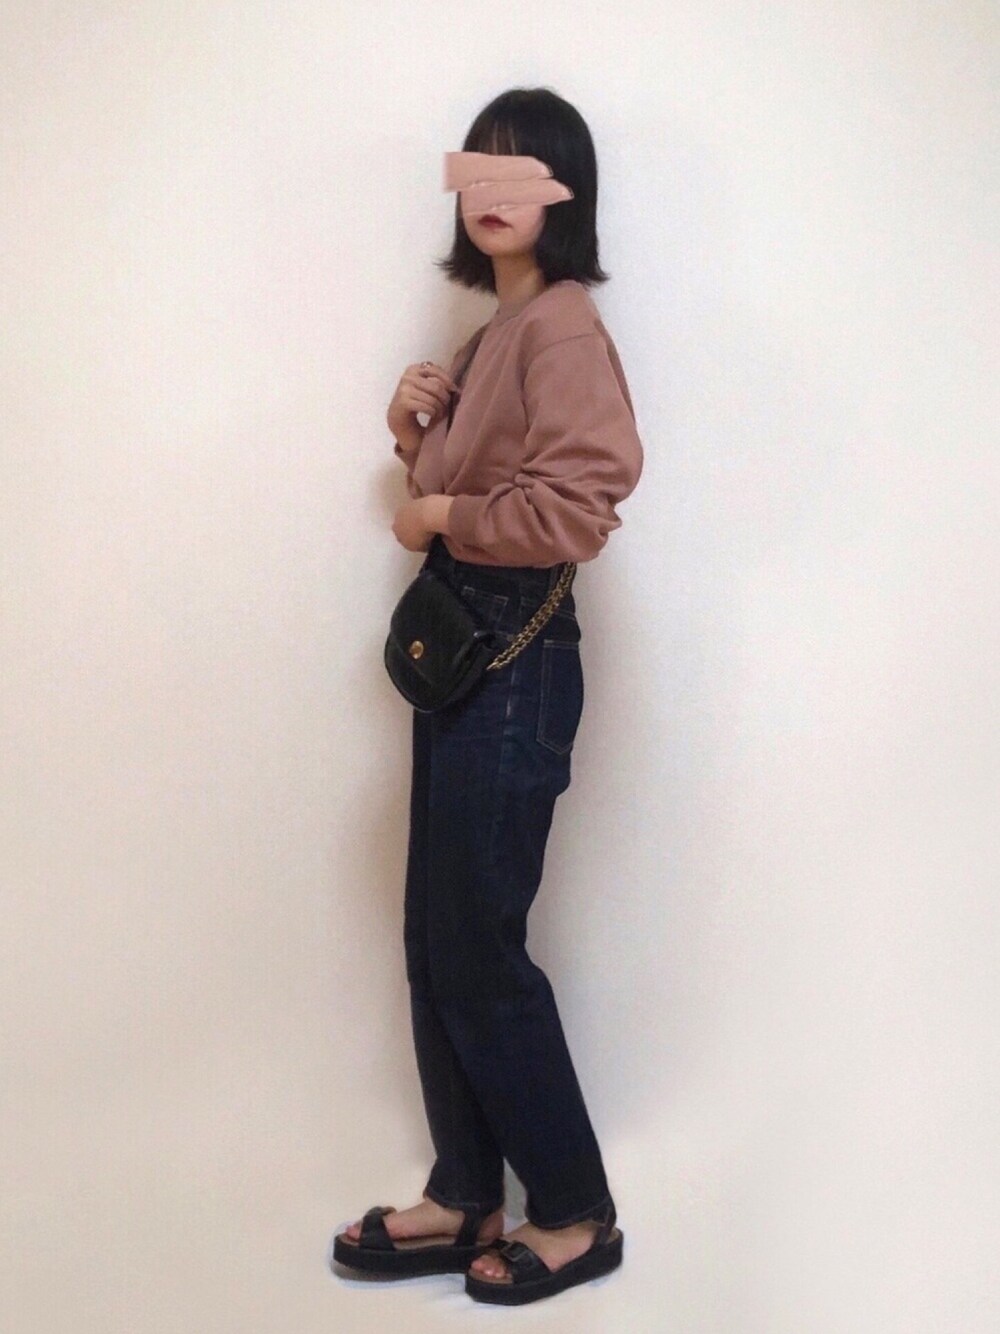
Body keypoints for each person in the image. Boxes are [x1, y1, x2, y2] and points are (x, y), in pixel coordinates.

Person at [331, 87, 643, 1306]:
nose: (494, 191)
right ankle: (467, 1190)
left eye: (523, 169)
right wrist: (412, 433)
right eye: (479, 169)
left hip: (515, 656)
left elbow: (576, 506)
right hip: (471, 651)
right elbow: (467, 488)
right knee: (436, 936)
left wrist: (437, 510)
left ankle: (574, 1210)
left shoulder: (562, 329)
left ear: (565, 190)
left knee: (476, 946)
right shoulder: (494, 336)